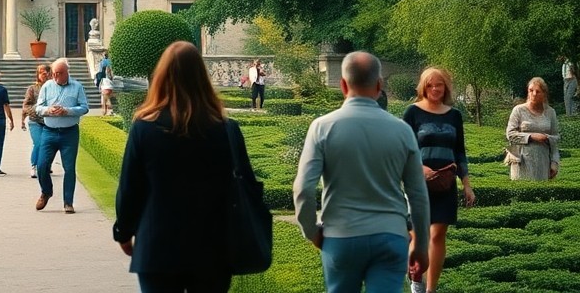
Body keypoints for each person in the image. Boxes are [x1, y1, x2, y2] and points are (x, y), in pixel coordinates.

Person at [113, 41, 260, 292]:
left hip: (157, 244)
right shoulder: (226, 128)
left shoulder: (145, 128)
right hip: (212, 244)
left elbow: (130, 187)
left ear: (161, 77)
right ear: (201, 77)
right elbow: (247, 185)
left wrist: (123, 232)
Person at [294, 51, 430, 293]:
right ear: (379, 85)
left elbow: (303, 189)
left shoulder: (322, 127)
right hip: (390, 235)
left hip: (340, 236)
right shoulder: (402, 131)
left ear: (343, 85)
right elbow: (418, 195)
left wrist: (311, 231)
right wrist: (421, 245)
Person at [402, 67, 475, 293]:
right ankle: (416, 280)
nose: (435, 89)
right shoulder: (412, 112)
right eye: (431, 85)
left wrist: (466, 184)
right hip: (417, 183)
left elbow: (459, 151)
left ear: (446, 87)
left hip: (445, 183)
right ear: (424, 87)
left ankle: (430, 289)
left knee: (437, 234)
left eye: (439, 85)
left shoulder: (454, 115)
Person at [34, 56, 89, 213]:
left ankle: (68, 202)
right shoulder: (47, 86)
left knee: (69, 168)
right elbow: (38, 108)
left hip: (69, 133)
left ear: (67, 72)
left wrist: (68, 111)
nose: (55, 76)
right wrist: (48, 110)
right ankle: (46, 191)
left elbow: (84, 107)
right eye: (53, 73)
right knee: (42, 165)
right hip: (49, 131)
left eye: (59, 73)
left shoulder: (77, 86)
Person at [505, 76, 560, 181]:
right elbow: (510, 134)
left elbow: (556, 138)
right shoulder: (518, 110)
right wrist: (531, 136)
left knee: (540, 193)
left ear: (544, 94)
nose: (534, 94)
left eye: (538, 91)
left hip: (542, 161)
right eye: (531, 90)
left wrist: (554, 162)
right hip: (521, 161)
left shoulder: (550, 112)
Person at [21, 63, 52, 179]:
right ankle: (34, 165)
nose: (43, 75)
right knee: (38, 143)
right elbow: (26, 105)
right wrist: (35, 112)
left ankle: (45, 165)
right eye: (41, 72)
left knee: (48, 145)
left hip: (49, 121)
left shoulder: (53, 88)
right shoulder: (32, 89)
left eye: (45, 72)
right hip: (35, 120)